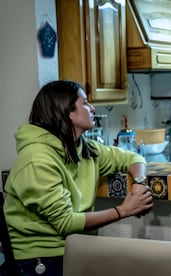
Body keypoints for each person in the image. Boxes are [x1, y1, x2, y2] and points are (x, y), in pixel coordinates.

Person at [1, 80, 153, 275]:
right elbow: (66, 223)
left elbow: (132, 157)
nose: (92, 108)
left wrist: (139, 182)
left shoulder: (83, 147)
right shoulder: (36, 159)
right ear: (68, 112)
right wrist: (124, 210)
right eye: (86, 103)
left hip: (76, 248)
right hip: (39, 260)